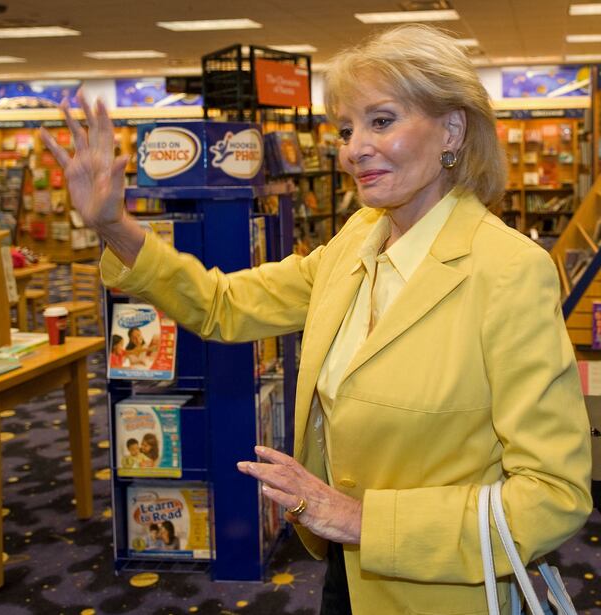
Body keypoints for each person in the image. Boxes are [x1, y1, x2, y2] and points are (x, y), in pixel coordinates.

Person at [40, 24, 592, 615]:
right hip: (345, 572)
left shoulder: (508, 270)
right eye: (347, 130)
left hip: (443, 589)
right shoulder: (357, 240)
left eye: (382, 121)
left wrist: (359, 520)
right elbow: (223, 305)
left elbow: (552, 496)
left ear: (452, 130)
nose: (354, 149)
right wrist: (112, 225)